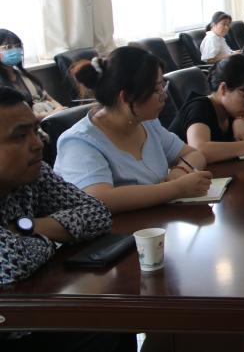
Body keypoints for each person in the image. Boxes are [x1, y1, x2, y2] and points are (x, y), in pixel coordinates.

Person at [0, 87, 134, 351]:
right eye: (20, 136)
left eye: (35, 130)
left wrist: (24, 228)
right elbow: (15, 261)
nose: (38, 144)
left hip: (36, 314)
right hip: (11, 328)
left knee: (116, 317)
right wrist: (56, 239)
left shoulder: (34, 173)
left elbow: (98, 214)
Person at [54, 47, 213, 212]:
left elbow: (194, 154)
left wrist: (179, 172)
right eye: (156, 90)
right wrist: (177, 188)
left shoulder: (147, 123)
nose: (164, 96)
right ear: (126, 97)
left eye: (162, 86)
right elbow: (100, 199)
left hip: (155, 220)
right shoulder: (78, 142)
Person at [169, 55, 244, 164]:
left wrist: (242, 121)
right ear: (223, 89)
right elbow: (199, 149)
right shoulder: (199, 107)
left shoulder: (231, 110)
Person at [0, 29, 64, 120]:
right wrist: (52, 115)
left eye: (17, 46)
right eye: (8, 47)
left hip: (50, 117)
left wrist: (60, 109)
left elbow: (49, 98)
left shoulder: (24, 75)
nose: (14, 50)